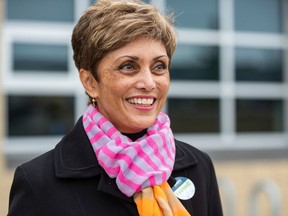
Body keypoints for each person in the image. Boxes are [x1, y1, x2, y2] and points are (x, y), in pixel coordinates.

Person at [8, 0, 223, 215]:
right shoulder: (39, 184)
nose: (148, 83)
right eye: (128, 66)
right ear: (90, 82)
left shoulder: (198, 167)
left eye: (159, 67)